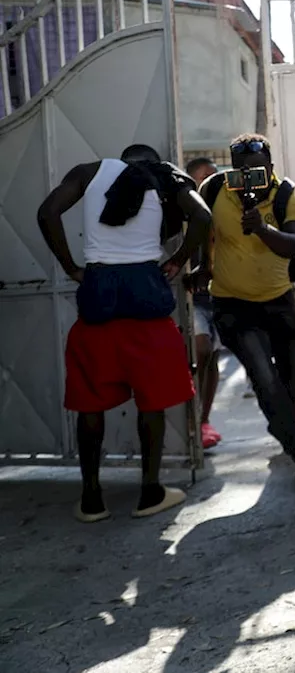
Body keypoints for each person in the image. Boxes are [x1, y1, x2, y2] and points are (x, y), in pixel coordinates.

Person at [37, 144, 210, 522]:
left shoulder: (89, 171)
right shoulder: (165, 176)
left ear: (121, 160)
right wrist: (178, 260)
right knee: (152, 401)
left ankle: (91, 498)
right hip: (146, 294)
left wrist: (70, 266)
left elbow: (47, 211)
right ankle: (150, 492)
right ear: (150, 162)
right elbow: (204, 217)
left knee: (90, 402)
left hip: (98, 294)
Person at [199, 134, 295, 485]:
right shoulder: (214, 191)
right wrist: (200, 265)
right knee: (264, 379)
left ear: (270, 168)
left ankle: (282, 425)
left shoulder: (290, 197)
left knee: (292, 381)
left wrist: (262, 229)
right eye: (240, 170)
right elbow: (196, 225)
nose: (247, 177)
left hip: (278, 301)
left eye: (256, 170)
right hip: (232, 304)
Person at [185, 157, 222, 449]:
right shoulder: (184, 212)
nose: (212, 181)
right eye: (205, 176)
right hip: (192, 299)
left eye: (215, 175)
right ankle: (191, 420)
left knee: (211, 360)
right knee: (201, 349)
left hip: (221, 296)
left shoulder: (226, 210)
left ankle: (204, 419)